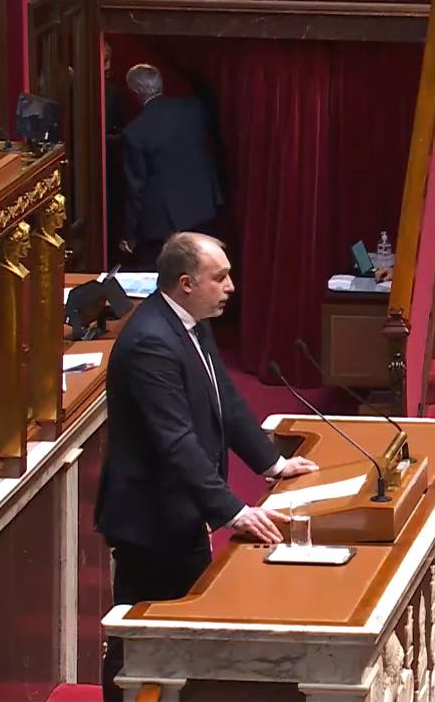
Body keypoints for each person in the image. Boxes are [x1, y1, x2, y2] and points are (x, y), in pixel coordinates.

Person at [95, 232, 318, 701]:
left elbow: (226, 403)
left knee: (176, 630)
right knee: (142, 632)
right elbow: (175, 441)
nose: (231, 286)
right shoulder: (151, 343)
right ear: (186, 283)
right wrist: (234, 511)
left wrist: (272, 463)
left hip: (181, 511)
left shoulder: (192, 323)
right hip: (151, 518)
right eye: (220, 277)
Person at [119, 64, 222, 270]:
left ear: (135, 92)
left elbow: (135, 188)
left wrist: (129, 235)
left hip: (163, 223)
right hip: (202, 207)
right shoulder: (193, 108)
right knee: (202, 270)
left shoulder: (134, 132)